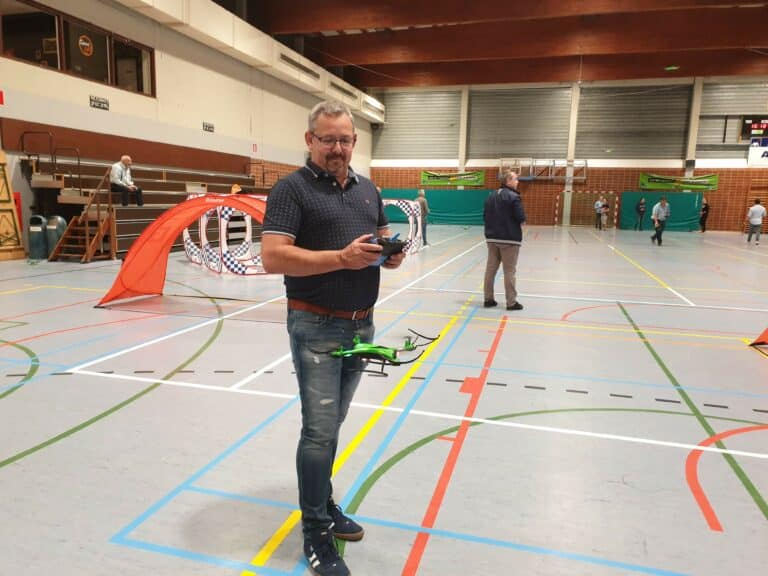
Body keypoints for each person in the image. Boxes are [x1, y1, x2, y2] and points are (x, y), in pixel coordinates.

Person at [261, 100, 405, 576]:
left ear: (354, 142)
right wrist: (340, 258)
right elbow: (273, 257)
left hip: (361, 325)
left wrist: (389, 254)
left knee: (333, 423)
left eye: (344, 140)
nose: (337, 148)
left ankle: (322, 501)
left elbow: (379, 237)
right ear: (310, 140)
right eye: (328, 140)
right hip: (315, 326)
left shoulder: (368, 190)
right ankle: (316, 531)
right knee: (319, 430)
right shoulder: (291, 190)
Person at [483, 170, 526, 311]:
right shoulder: (514, 197)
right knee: (509, 271)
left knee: (490, 270)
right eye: (515, 179)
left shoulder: (490, 196)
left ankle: (488, 299)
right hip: (509, 239)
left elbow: (485, 216)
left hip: (491, 238)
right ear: (508, 181)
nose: (517, 181)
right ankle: (511, 302)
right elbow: (521, 217)